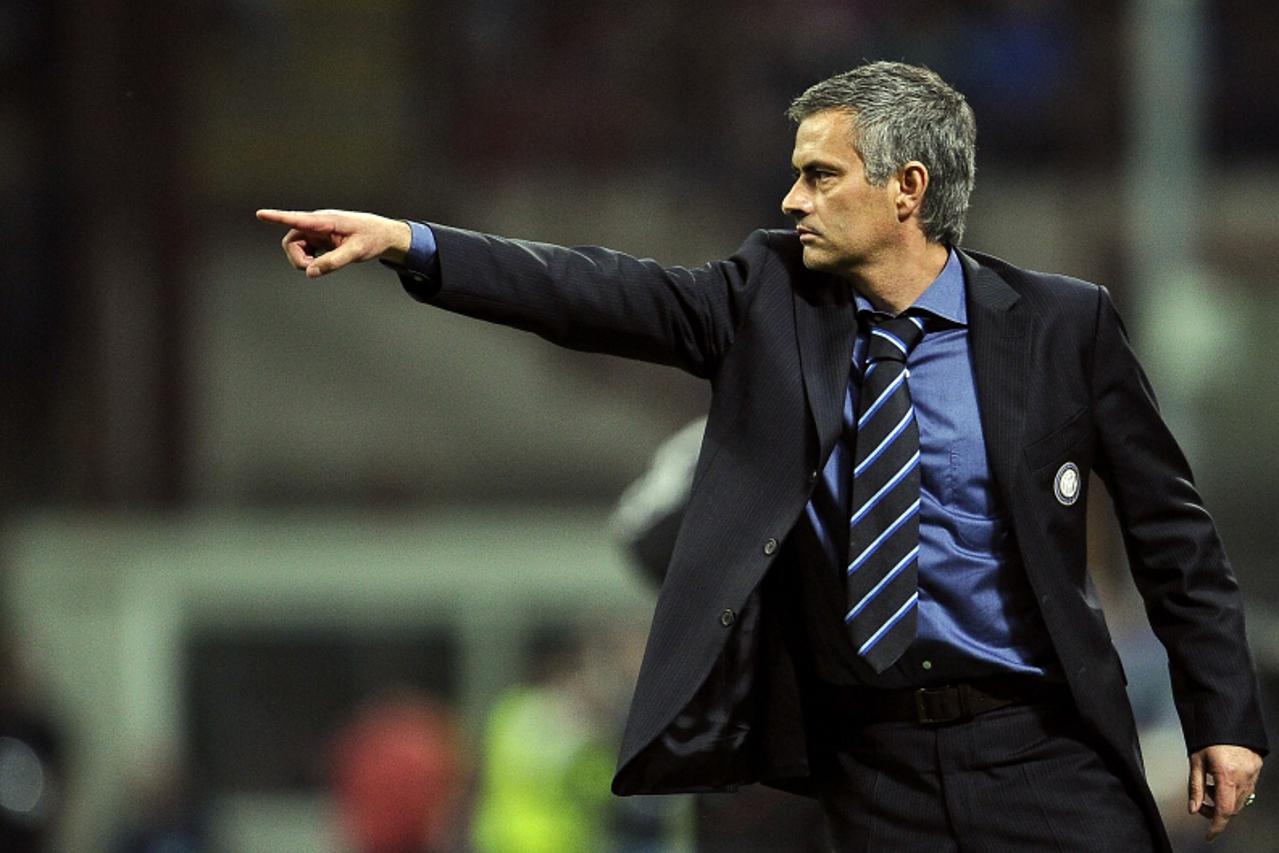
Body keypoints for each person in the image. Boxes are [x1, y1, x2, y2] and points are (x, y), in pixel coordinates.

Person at [258, 61, 1267, 851]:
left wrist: (1222, 715)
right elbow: (594, 292)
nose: (791, 198)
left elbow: (1171, 531)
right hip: (867, 763)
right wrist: (410, 243)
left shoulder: (1060, 325)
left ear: (907, 189)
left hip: (1043, 750)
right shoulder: (764, 300)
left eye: (819, 174)